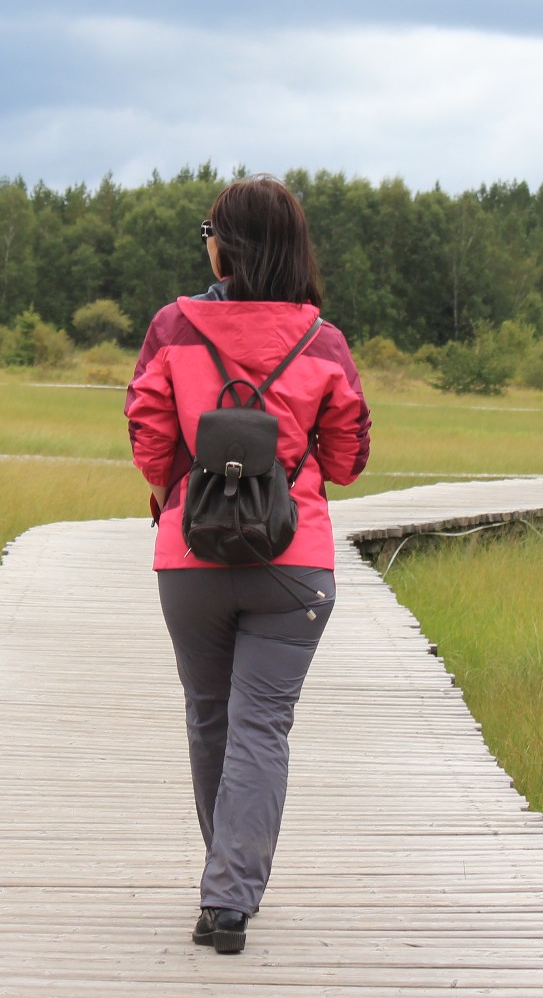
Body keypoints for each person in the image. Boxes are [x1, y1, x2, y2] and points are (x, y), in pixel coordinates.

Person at [124, 176, 371, 956]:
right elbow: (350, 455)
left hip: (189, 560)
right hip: (294, 564)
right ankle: (228, 893)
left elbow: (148, 438)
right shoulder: (323, 342)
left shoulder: (173, 327)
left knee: (209, 714)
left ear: (226, 245)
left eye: (209, 230)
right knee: (261, 723)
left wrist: (177, 493)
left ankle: (225, 879)